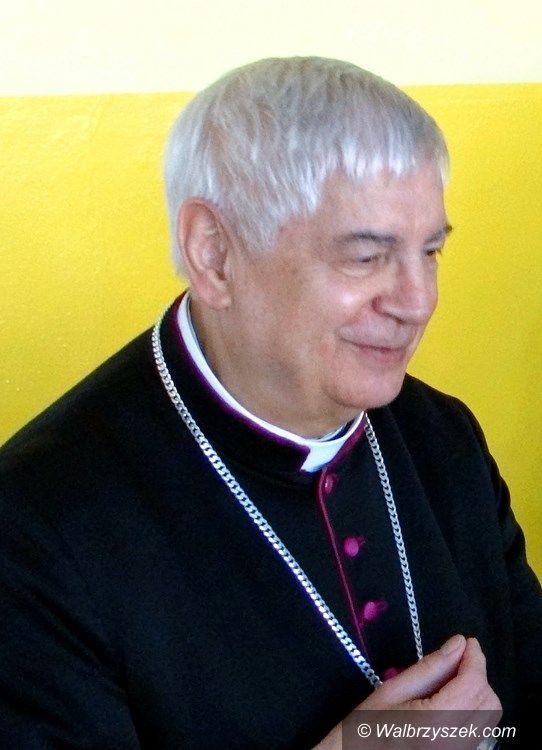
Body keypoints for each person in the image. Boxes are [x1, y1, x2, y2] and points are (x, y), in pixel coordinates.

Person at [0, 56, 540, 749]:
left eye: (430, 252)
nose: (417, 302)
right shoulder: (35, 528)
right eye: (366, 257)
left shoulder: (442, 437)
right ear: (214, 255)